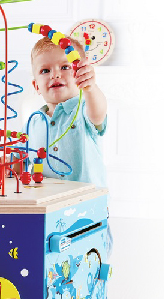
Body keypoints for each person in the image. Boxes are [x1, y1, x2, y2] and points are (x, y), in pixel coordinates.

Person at [29, 36, 108, 188]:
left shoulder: (84, 110)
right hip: (49, 200)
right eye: (45, 70)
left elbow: (98, 114)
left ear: (80, 74)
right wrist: (7, 164)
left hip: (88, 200)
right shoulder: (32, 123)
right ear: (36, 86)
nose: (55, 75)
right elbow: (19, 160)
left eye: (65, 67)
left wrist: (91, 88)